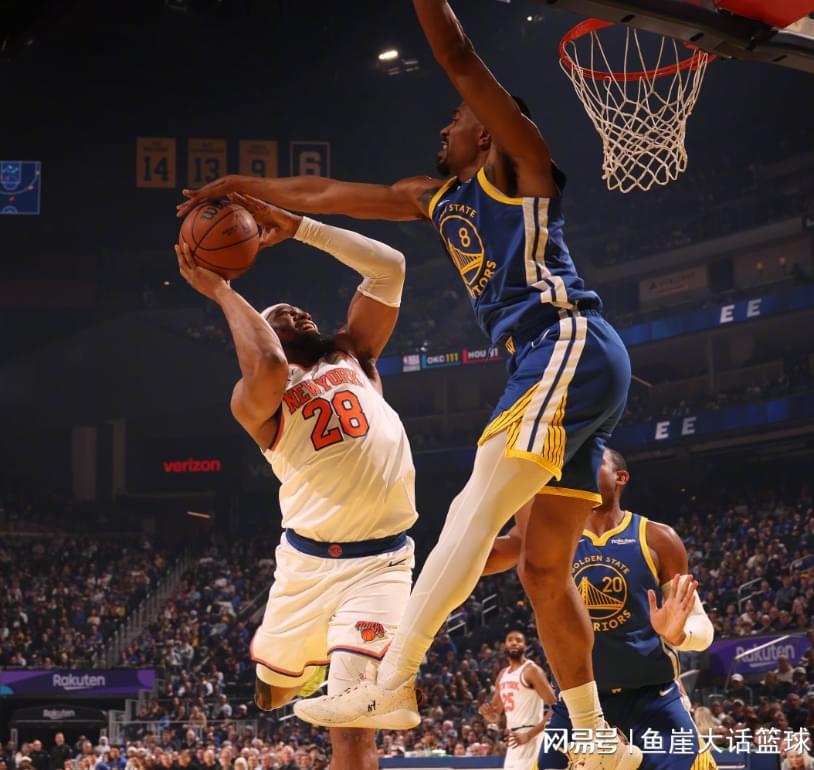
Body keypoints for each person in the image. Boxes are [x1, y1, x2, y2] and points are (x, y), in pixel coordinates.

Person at [180, 3, 632, 766]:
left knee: (474, 505)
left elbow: (456, 53)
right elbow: (324, 192)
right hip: (548, 361)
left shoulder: (520, 164)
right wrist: (253, 192)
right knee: (540, 568)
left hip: (564, 340)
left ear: (487, 130)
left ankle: (393, 680)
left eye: (456, 119)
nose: (444, 127)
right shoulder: (435, 196)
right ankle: (596, 740)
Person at [174, 197, 419, 770]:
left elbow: (390, 268)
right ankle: (300, 668)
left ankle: (336, 664)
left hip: (380, 566)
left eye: (301, 310)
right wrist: (221, 291)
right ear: (264, 330)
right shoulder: (257, 398)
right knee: (272, 692)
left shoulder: (354, 355)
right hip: (305, 569)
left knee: (352, 732)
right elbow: (266, 363)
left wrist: (304, 228)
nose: (301, 314)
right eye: (283, 315)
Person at [483, 448, 717, 770]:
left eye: (595, 459)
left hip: (652, 697)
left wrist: (679, 635)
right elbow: (481, 560)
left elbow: (701, 627)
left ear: (621, 477)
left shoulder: (659, 538)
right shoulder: (551, 539)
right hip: (580, 703)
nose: (581, 466)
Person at [478, 630, 556, 770]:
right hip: (513, 739)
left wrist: (529, 735)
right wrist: (487, 714)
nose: (514, 643)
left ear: (525, 647)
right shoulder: (502, 674)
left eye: (519, 640)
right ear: (504, 646)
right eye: (510, 640)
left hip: (531, 736)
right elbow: (495, 715)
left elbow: (556, 707)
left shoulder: (532, 670)